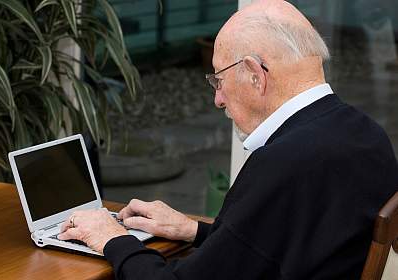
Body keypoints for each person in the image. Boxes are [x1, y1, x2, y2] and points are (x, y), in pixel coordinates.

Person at [59, 0, 398, 279]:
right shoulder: (366, 135)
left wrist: (112, 238)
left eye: (218, 80)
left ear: (255, 75)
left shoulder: (282, 164)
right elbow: (271, 248)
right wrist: (193, 230)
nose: (217, 99)